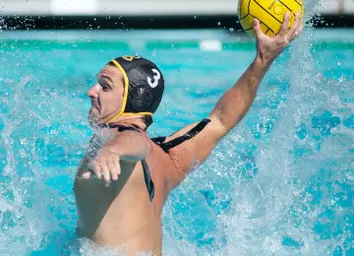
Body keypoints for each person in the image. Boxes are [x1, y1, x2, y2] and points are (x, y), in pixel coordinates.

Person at [73, 14, 303, 255]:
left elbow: (133, 140)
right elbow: (221, 120)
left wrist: (112, 149)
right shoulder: (168, 158)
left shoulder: (116, 137)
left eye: (105, 86)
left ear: (132, 99)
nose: (92, 92)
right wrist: (262, 60)